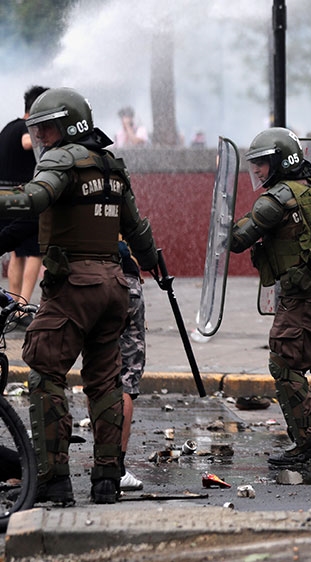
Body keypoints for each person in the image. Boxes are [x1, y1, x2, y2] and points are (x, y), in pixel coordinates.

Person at [0, 87, 161, 505]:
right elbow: (139, 229)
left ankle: (53, 480)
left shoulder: (61, 160)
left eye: (47, 129)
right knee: (105, 383)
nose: (42, 138)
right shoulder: (110, 166)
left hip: (74, 285)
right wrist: (155, 264)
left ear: (67, 125)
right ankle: (106, 479)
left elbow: (32, 200)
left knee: (45, 373)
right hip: (114, 286)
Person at [230, 127, 311, 466]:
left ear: (280, 160)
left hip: (305, 294)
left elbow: (237, 240)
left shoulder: (277, 198)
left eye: (262, 163)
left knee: (285, 364)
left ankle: (307, 442)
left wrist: (225, 225)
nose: (258, 171)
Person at [0, 86, 48, 321]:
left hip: (3, 199)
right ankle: (22, 308)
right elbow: (27, 143)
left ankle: (11, 303)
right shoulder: (24, 129)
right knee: (34, 252)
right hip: (20, 198)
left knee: (16, 254)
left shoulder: (7, 128)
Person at [117, 240, 145, 491]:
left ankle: (103, 461)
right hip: (125, 280)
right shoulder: (117, 198)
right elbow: (141, 235)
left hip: (84, 282)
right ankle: (116, 467)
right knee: (126, 376)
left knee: (97, 373)